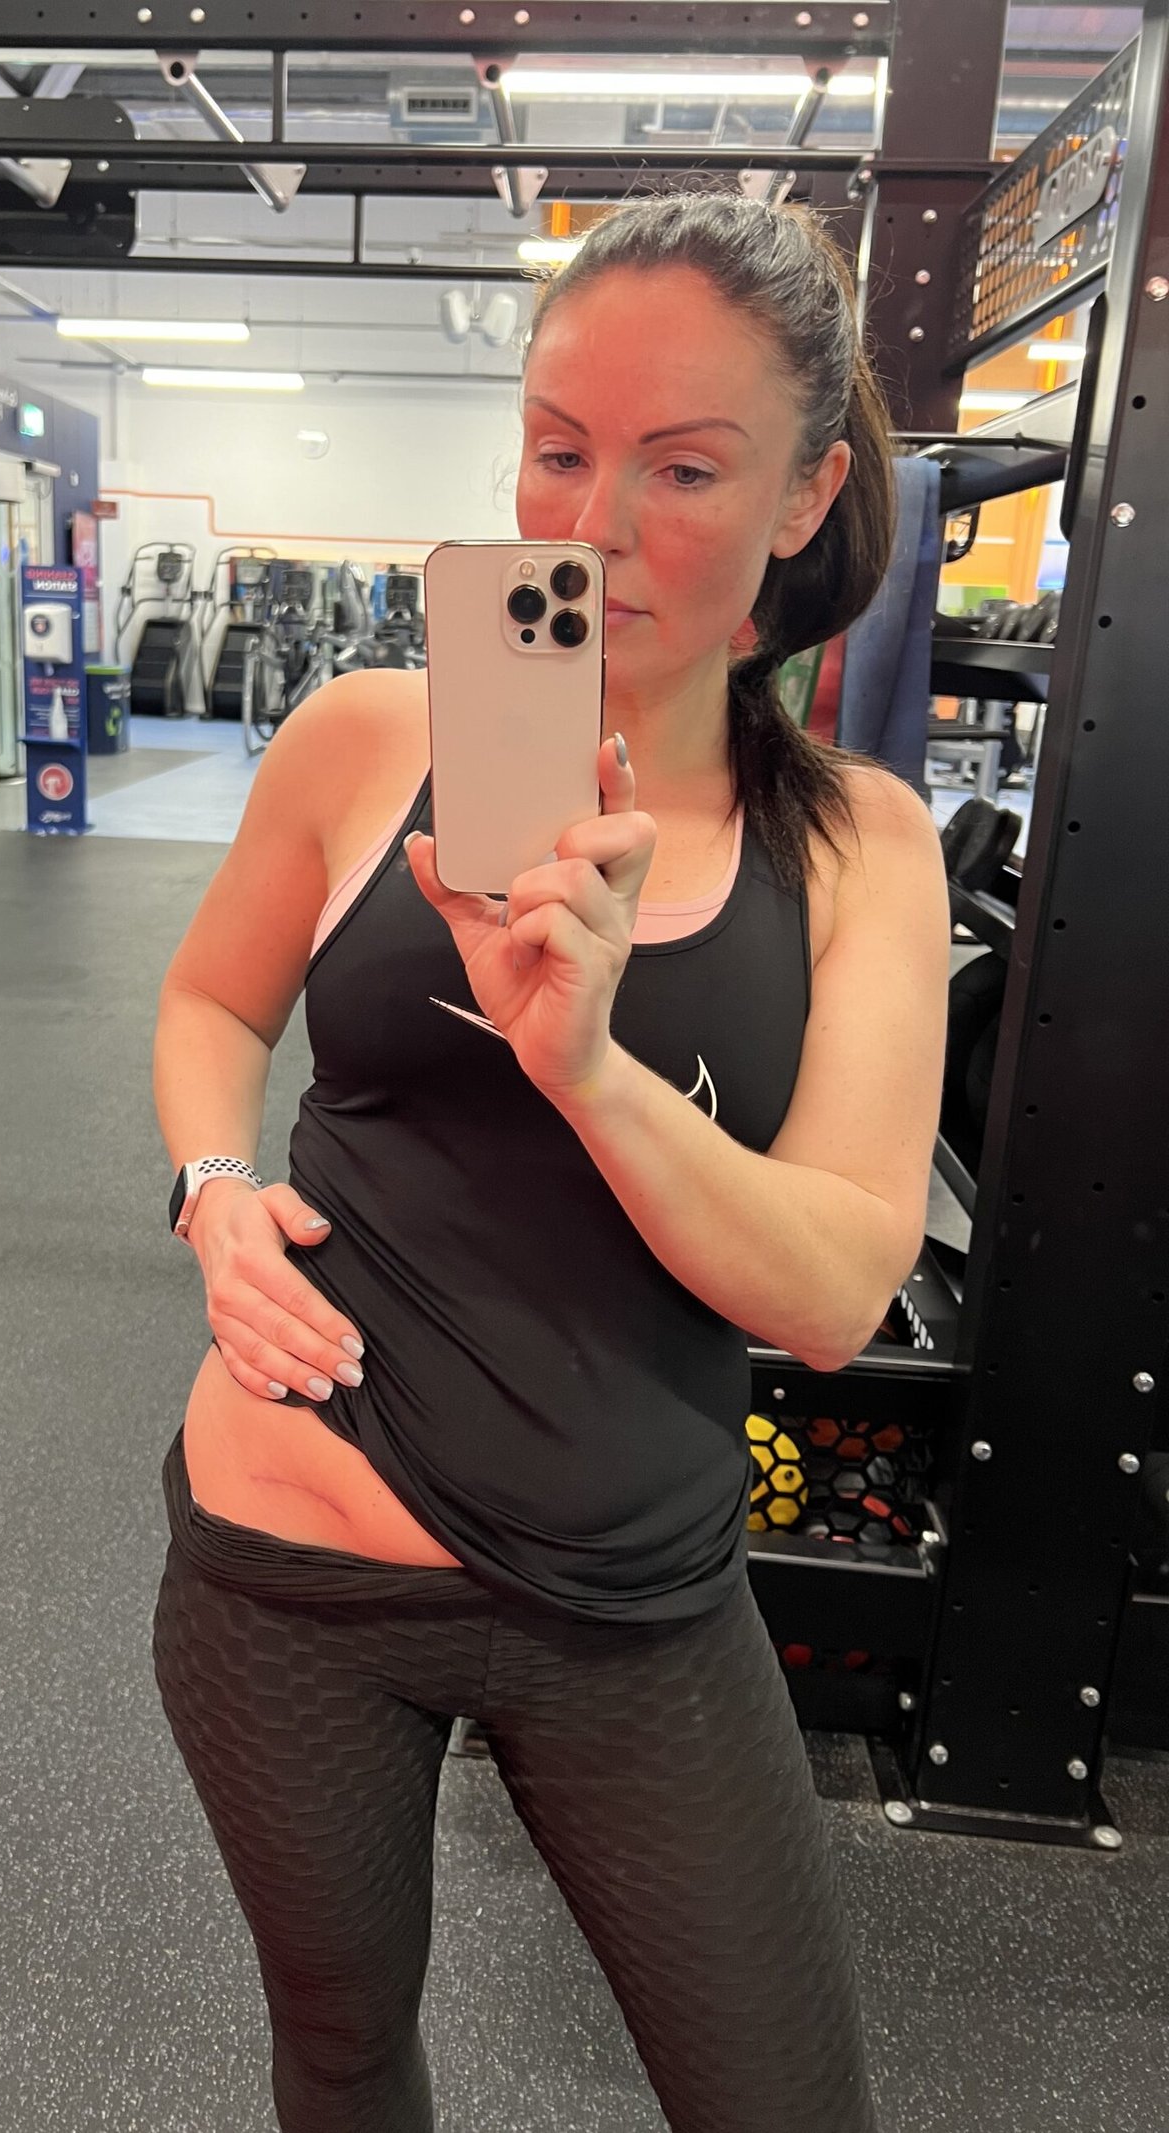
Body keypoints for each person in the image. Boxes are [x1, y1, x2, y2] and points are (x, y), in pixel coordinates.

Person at [150, 189, 949, 2133]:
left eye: (681, 466)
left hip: (633, 1592)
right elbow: (207, 1010)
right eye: (556, 445)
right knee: (342, 2052)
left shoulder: (853, 846)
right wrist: (208, 1190)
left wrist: (585, 1059)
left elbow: (834, 1289)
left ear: (799, 491)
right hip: (287, 1561)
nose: (588, 524)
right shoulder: (361, 738)